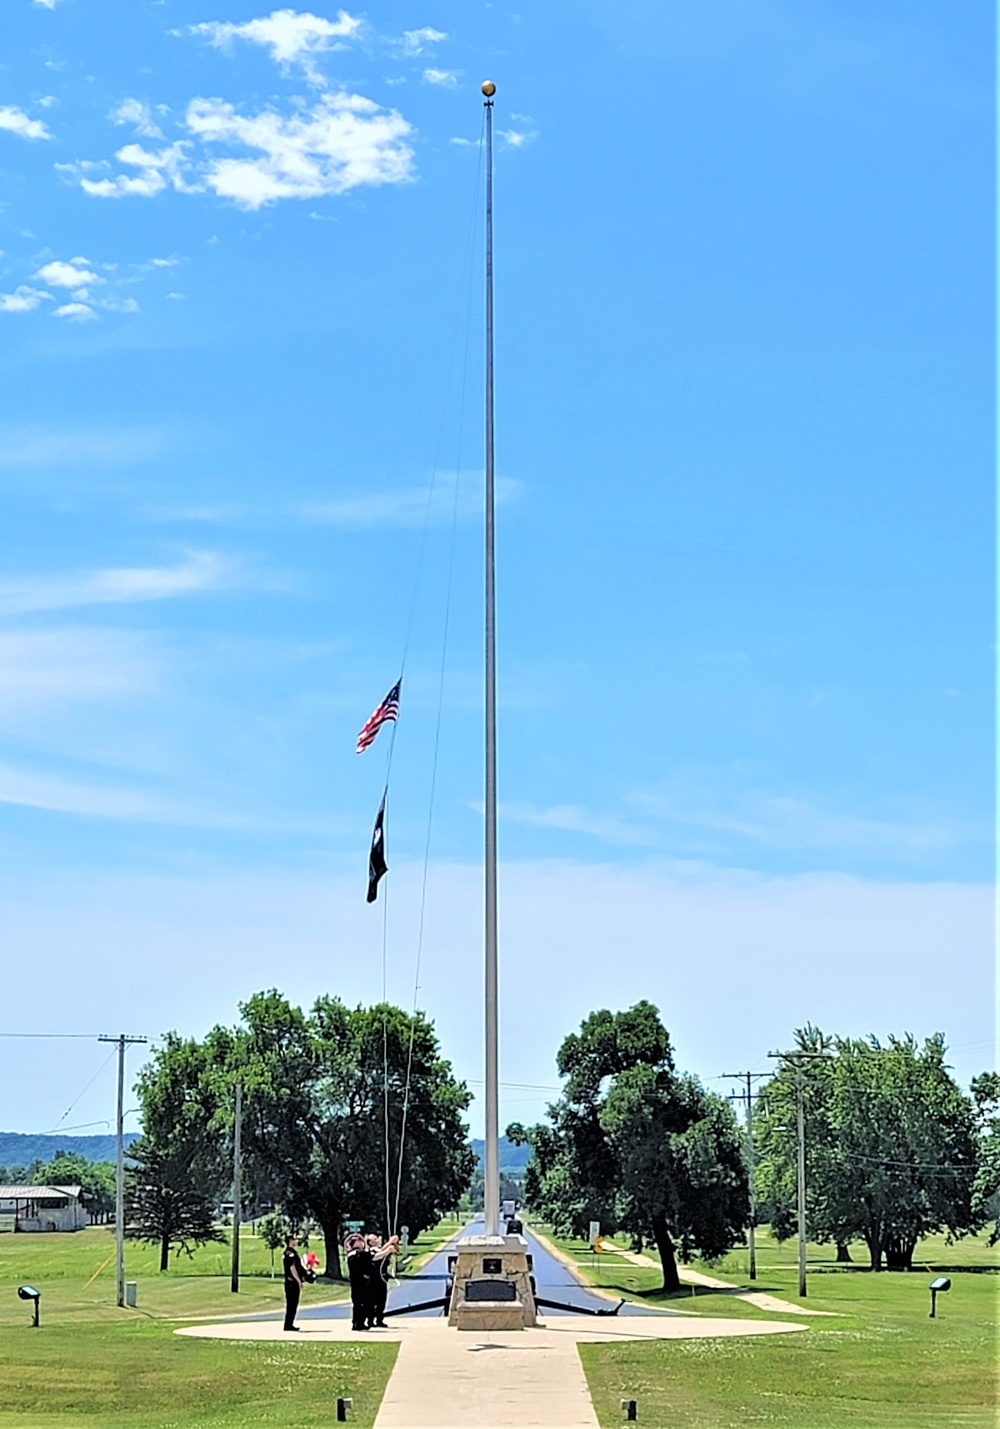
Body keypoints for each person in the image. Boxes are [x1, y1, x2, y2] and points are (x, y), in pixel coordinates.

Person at [366, 1233, 399, 1328]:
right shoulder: (371, 1251)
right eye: (374, 1239)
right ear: (370, 1242)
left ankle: (380, 1319)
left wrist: (392, 1243)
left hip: (382, 1278)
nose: (377, 1240)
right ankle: (370, 1320)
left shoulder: (380, 1248)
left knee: (382, 1300)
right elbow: (380, 1253)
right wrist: (390, 1242)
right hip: (373, 1279)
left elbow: (384, 1250)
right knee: (372, 1300)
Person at [345, 1232, 371, 1332]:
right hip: (357, 1282)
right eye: (358, 1241)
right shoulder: (354, 1254)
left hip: (364, 1282)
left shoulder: (362, 1253)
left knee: (364, 1303)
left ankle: (360, 1322)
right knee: (358, 1303)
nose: (361, 1243)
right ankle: (357, 1323)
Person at [282, 1234, 305, 1331]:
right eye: (295, 1239)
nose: (296, 1241)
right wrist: (299, 1281)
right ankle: (288, 1325)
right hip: (292, 1282)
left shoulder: (289, 1252)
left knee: (292, 1304)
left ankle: (289, 1324)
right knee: (292, 1304)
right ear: (290, 1241)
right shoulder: (290, 1253)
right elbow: (292, 1268)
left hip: (290, 1282)